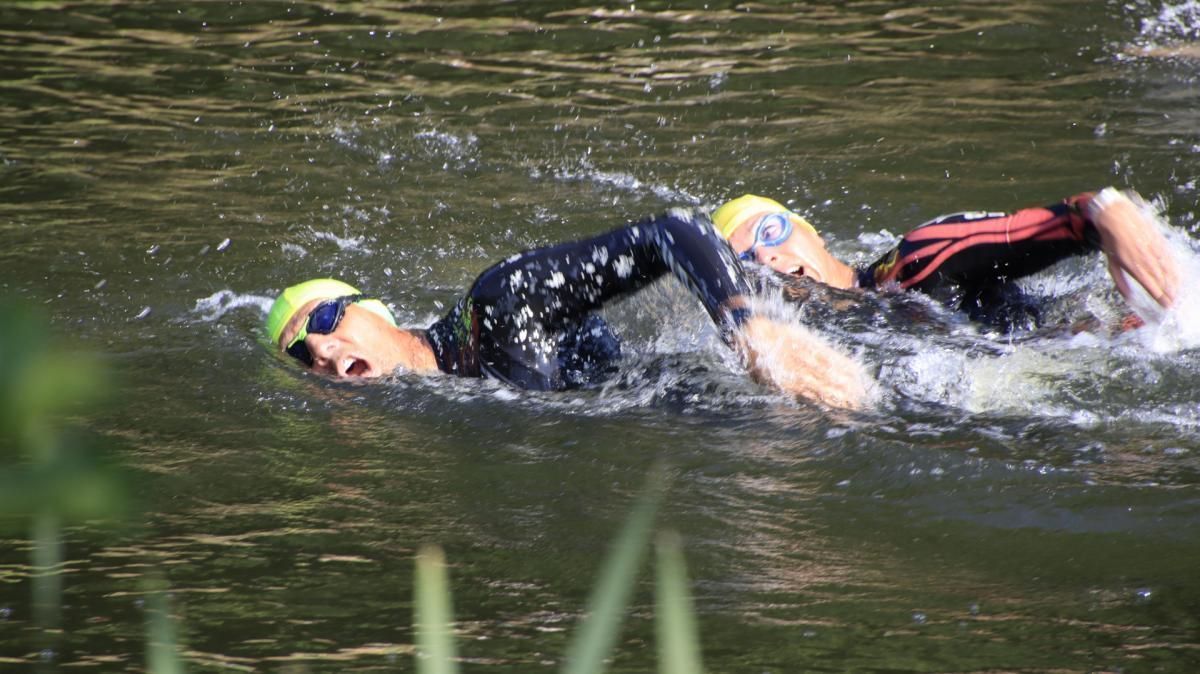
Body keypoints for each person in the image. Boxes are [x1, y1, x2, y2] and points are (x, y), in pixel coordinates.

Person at [265, 209, 872, 408]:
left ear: (372, 310)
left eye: (324, 319)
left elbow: (673, 230)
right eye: (301, 354)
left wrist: (757, 331)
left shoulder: (501, 304)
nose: (319, 349)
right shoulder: (453, 398)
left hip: (803, 394)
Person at [711, 188, 1180, 331]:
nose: (768, 256)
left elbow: (1029, 228)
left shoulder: (915, 265)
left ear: (811, 230)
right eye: (748, 260)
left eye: (770, 232)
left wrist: (1107, 214)